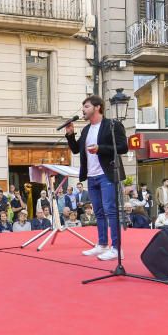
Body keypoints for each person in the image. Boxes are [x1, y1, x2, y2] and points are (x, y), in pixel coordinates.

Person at [65, 95, 129, 261]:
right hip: (92, 176)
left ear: (97, 107)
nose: (83, 111)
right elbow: (76, 150)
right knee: (99, 212)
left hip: (107, 174)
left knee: (110, 210)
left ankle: (116, 248)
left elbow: (123, 147)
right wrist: (71, 135)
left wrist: (101, 148)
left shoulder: (112, 125)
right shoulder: (86, 130)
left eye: (86, 107)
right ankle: (102, 244)